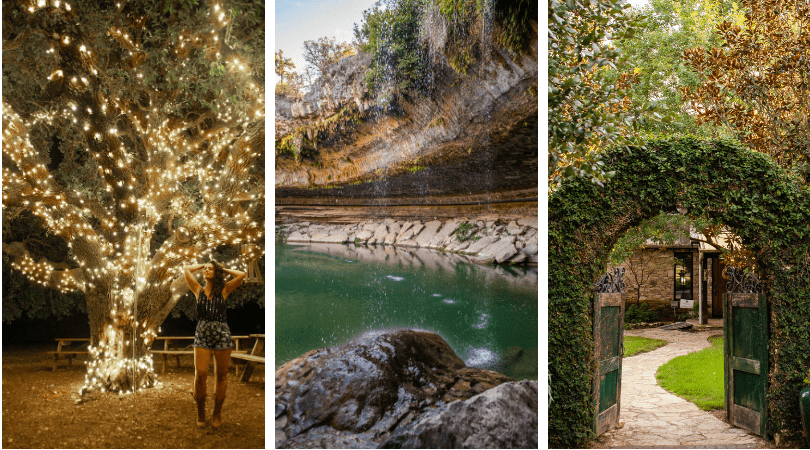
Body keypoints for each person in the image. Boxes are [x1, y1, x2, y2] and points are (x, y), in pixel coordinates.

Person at [184, 261, 245, 428]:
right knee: (201, 374)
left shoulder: (224, 289)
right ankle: (201, 412)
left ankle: (217, 412)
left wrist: (221, 268)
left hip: (222, 333)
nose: (206, 270)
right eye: (205, 268)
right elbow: (187, 269)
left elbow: (241, 275)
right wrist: (203, 264)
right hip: (202, 332)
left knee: (221, 376)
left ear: (216, 272)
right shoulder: (198, 290)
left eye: (210, 269)